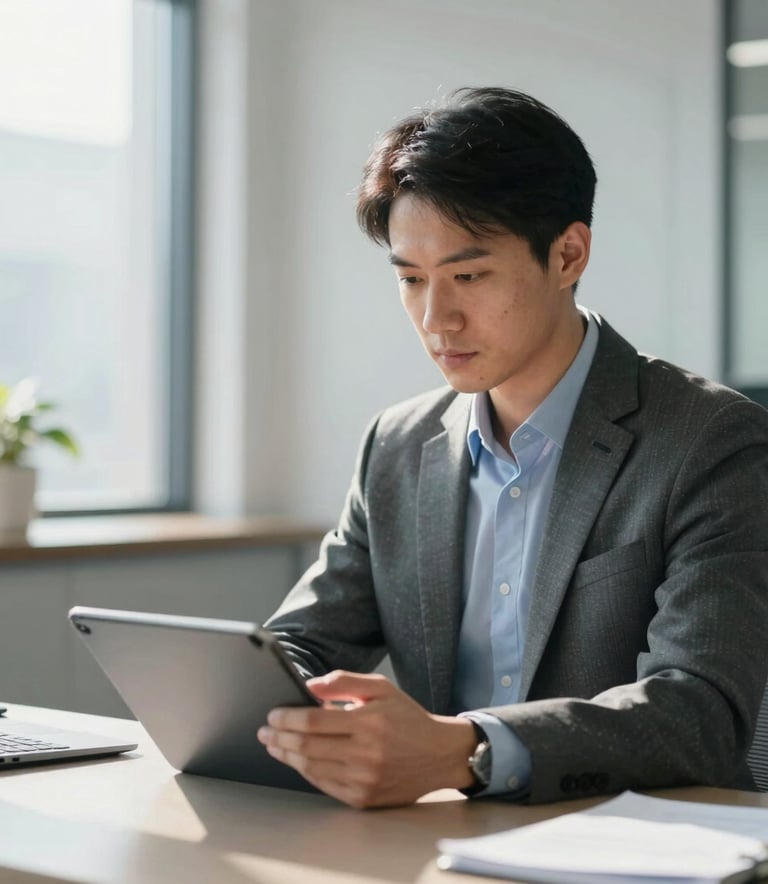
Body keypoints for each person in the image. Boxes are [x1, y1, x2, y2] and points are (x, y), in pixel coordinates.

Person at [256, 86, 768, 809]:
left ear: (568, 253)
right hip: (442, 843)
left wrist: (469, 751)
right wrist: (269, 696)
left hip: (641, 844)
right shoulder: (398, 445)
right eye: (410, 279)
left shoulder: (709, 440)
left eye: (468, 275)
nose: (437, 318)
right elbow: (306, 644)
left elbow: (700, 714)